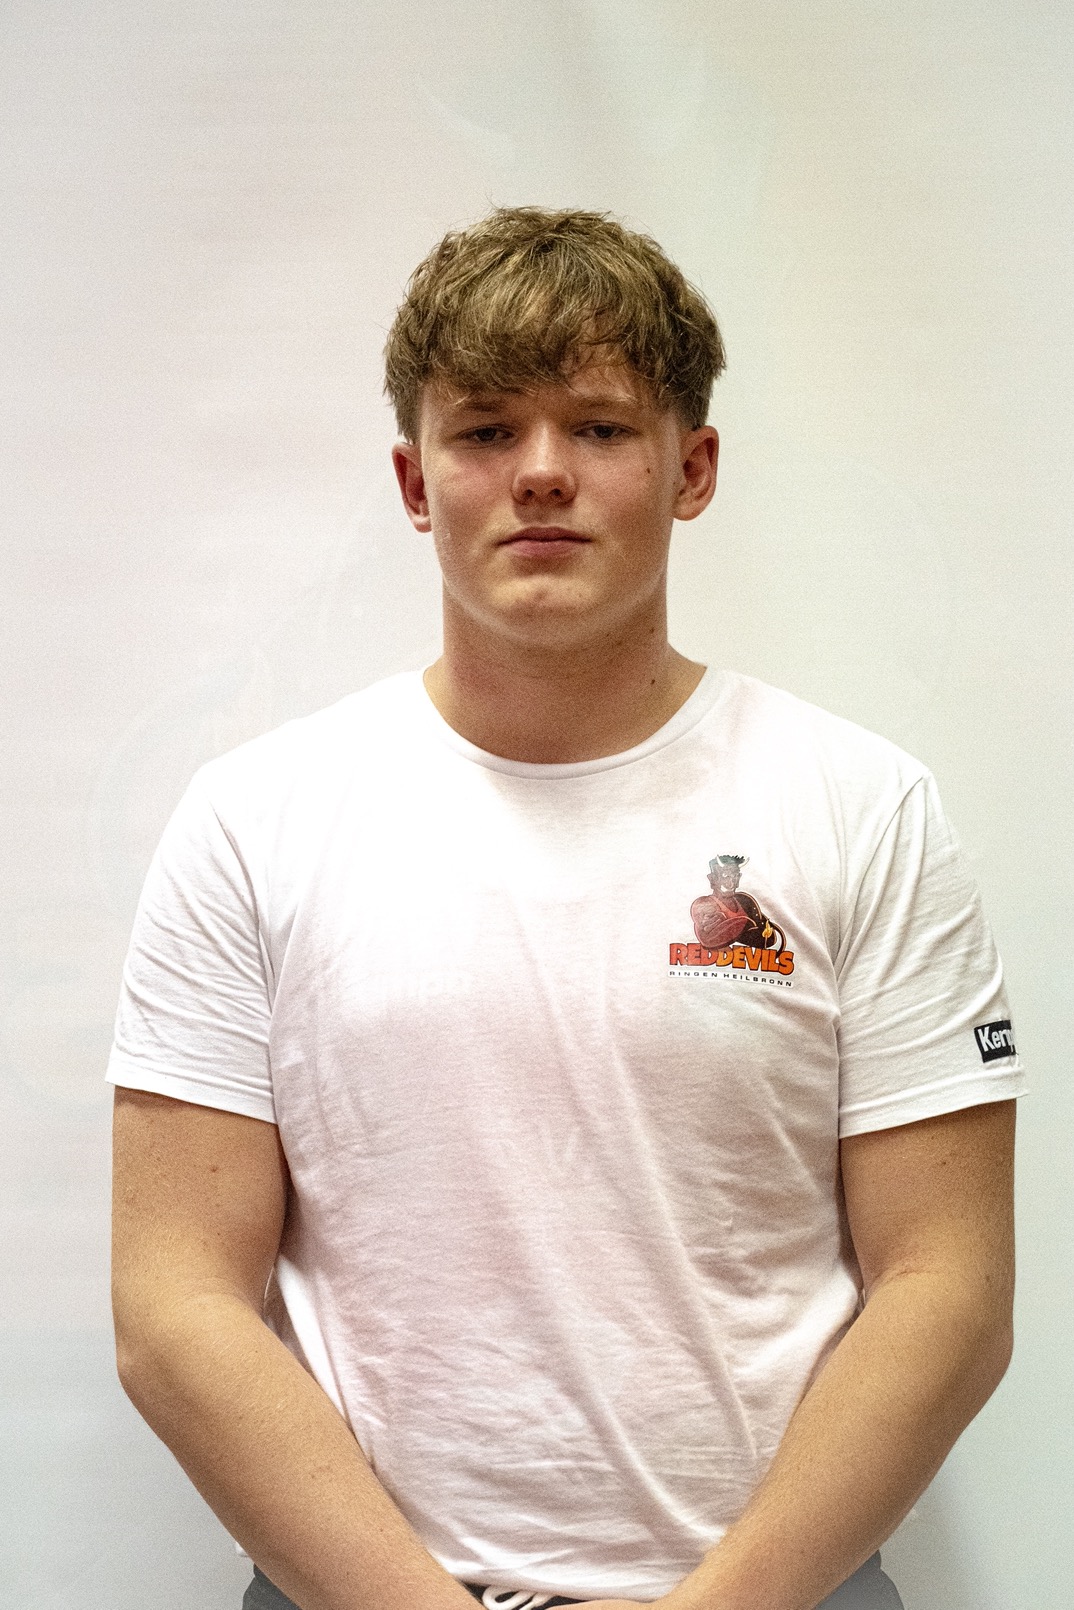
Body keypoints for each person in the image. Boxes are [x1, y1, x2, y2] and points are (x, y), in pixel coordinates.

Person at [109, 207, 1025, 1610]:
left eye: (599, 428)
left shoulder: (860, 806)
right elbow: (174, 1306)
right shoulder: (254, 822)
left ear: (690, 467)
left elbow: (947, 1290)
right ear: (416, 482)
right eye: (486, 431)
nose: (541, 472)